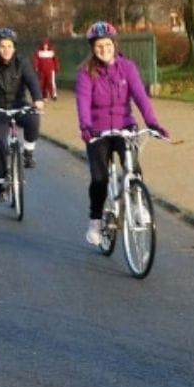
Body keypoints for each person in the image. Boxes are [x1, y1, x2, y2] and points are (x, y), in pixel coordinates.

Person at [74, 21, 167, 246]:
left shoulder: (127, 68)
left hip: (125, 126)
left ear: (114, 44)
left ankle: (138, 206)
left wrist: (153, 123)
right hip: (97, 130)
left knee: (132, 167)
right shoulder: (86, 72)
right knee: (100, 178)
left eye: (107, 44)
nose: (103, 49)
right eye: (98, 46)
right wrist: (86, 126)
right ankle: (95, 221)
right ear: (92, 48)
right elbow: (83, 102)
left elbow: (141, 97)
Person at [0, 27, 45, 201]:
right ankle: (0, 187)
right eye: (3, 46)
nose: (6, 50)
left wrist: (38, 99)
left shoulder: (22, 62)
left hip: (19, 105)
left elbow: (32, 81)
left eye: (10, 46)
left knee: (34, 119)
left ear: (14, 47)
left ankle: (28, 153)